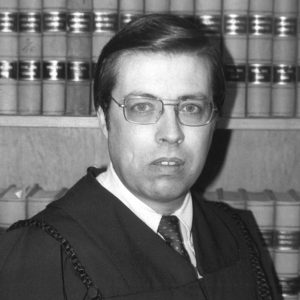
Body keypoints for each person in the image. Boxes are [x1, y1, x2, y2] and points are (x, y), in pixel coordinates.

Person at [0, 14, 281, 300]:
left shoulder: (237, 234)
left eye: (191, 108)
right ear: (104, 120)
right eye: (143, 107)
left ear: (214, 122)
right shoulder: (44, 252)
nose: (171, 133)